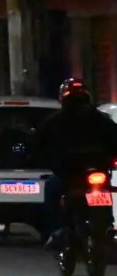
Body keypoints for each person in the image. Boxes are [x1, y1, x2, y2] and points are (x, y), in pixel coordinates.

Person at [34, 78, 117, 250]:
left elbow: (38, 145)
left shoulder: (54, 122)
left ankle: (57, 230)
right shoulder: (101, 119)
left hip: (72, 173)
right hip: (89, 171)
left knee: (50, 189)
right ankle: (103, 225)